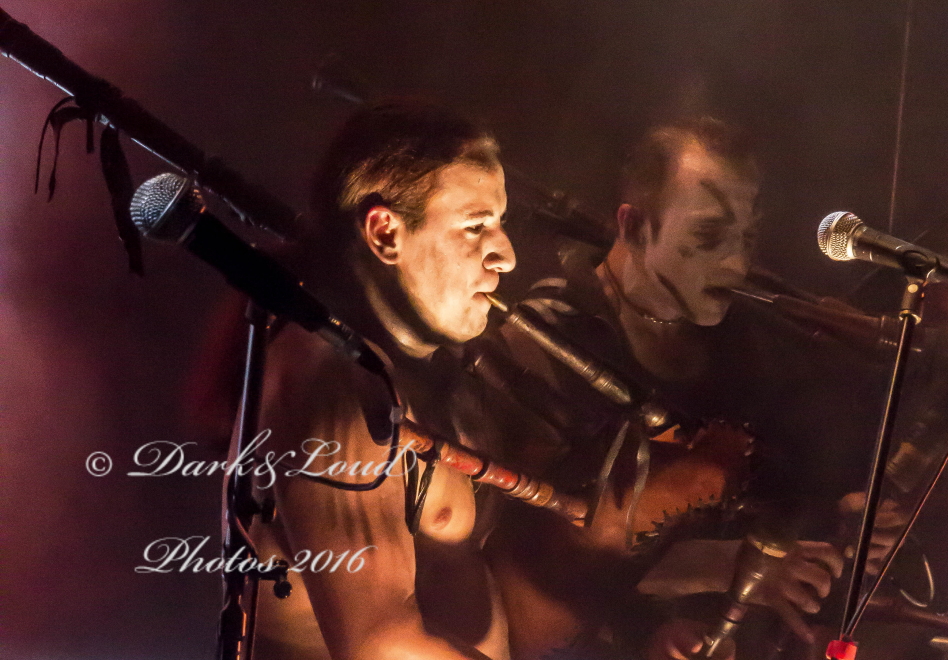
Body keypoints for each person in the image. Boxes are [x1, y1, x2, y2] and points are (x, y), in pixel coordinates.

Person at [480, 118, 869, 660]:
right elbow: (535, 561)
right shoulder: (540, 345)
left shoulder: (748, 345)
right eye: (708, 238)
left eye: (747, 238)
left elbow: (779, 498)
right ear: (634, 226)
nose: (736, 264)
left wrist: (846, 522)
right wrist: (718, 569)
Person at [245, 100, 519, 660]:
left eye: (500, 223)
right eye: (476, 226)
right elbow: (378, 645)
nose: (506, 257)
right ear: (386, 234)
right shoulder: (331, 381)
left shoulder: (441, 371)